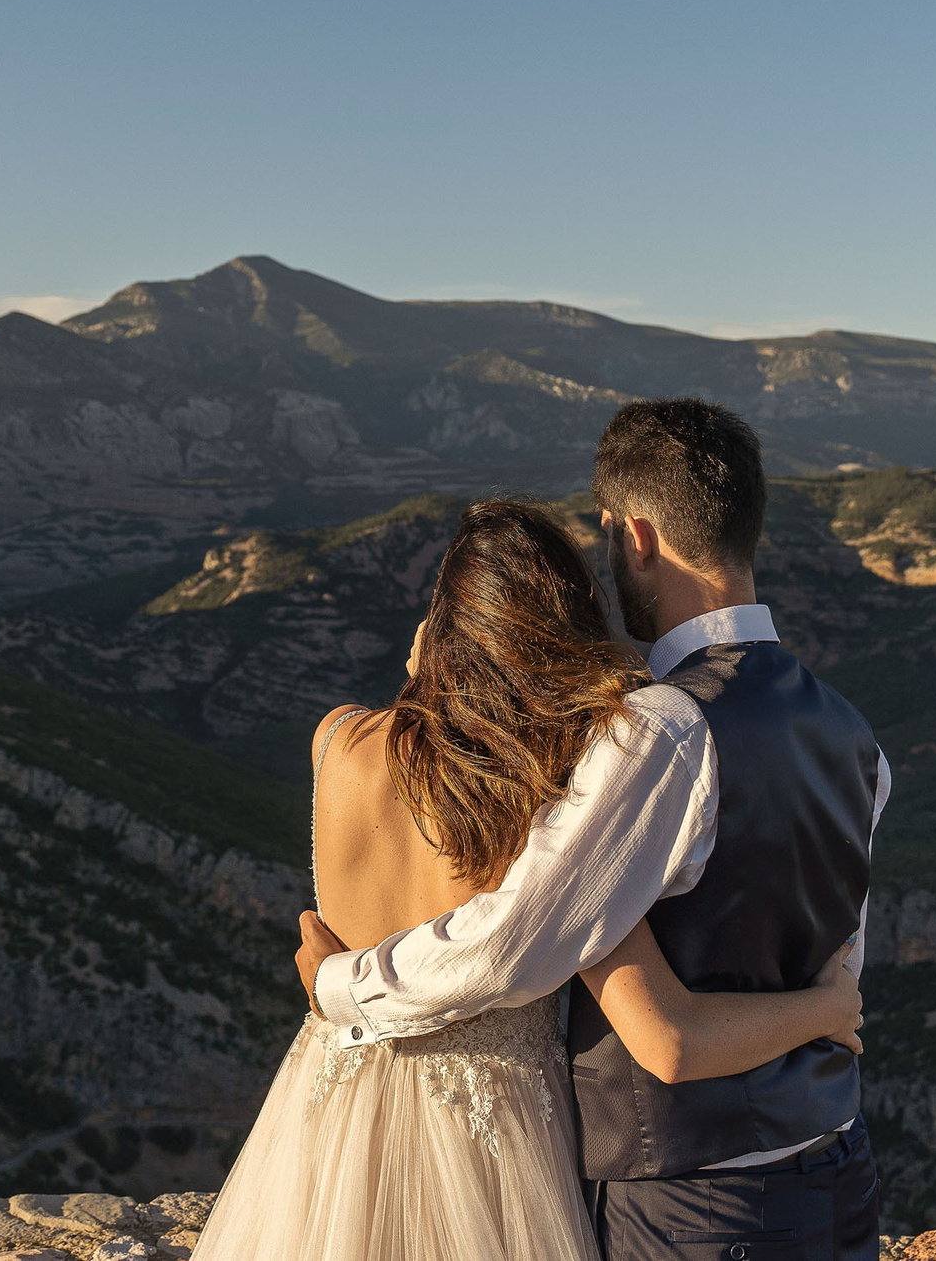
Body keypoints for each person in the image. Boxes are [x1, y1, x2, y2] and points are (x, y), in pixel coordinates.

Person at [190, 495, 865, 1261]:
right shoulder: (545, 791)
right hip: (497, 1144)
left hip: (331, 1121)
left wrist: (424, 676)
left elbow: (417, 746)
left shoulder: (335, 740)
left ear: (442, 625)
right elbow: (639, 1016)